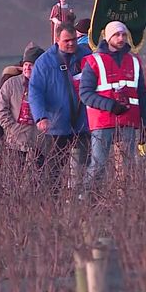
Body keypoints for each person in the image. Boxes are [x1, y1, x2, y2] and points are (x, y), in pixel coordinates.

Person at [79, 21, 146, 186]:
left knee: (127, 166)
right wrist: (110, 105)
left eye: (123, 35)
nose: (121, 38)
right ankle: (84, 199)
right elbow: (85, 94)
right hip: (103, 121)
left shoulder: (134, 61)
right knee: (98, 165)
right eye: (117, 35)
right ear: (108, 37)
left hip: (128, 121)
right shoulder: (93, 61)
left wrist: (145, 122)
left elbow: (141, 94)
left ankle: (122, 203)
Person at [29, 23, 92, 191]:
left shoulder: (87, 56)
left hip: (83, 123)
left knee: (85, 168)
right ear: (57, 40)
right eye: (66, 41)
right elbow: (35, 91)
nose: (71, 44)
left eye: (73, 40)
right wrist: (40, 116)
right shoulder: (44, 62)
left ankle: (84, 202)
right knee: (54, 172)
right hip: (56, 126)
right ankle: (53, 206)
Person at [0, 45, 45, 169]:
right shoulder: (11, 84)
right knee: (15, 177)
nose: (27, 67)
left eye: (31, 64)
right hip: (15, 142)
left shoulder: (46, 85)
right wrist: (12, 128)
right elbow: (0, 109)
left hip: (39, 141)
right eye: (25, 64)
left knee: (37, 179)